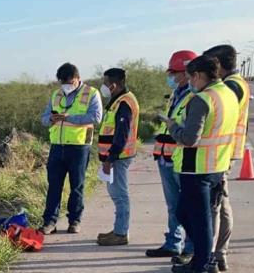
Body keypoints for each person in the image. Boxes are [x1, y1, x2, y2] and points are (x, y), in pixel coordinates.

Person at [166, 55, 239, 273]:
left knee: (196, 220)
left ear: (198, 75)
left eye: (190, 78)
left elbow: (189, 139)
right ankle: (204, 263)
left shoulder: (202, 99)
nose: (189, 83)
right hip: (216, 166)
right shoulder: (227, 94)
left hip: (197, 168)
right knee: (194, 216)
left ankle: (201, 272)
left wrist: (173, 126)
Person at [202, 44, 251, 272]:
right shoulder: (235, 84)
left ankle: (214, 255)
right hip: (223, 151)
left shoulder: (230, 87)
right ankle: (217, 254)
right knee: (220, 204)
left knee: (217, 205)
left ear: (219, 64)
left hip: (221, 152)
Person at [39, 63, 103, 235]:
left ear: (77, 78)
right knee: (54, 185)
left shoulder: (91, 93)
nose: (66, 85)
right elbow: (43, 118)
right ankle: (49, 222)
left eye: (69, 81)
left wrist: (70, 117)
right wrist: (51, 119)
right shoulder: (56, 94)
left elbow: (96, 117)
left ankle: (74, 221)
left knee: (77, 186)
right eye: (63, 82)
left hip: (79, 146)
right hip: (57, 146)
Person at [147, 50, 197, 258]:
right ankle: (173, 243)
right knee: (173, 206)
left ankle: (191, 247)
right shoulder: (177, 94)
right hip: (166, 157)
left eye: (174, 73)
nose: (171, 77)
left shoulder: (194, 97)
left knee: (188, 206)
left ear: (186, 73)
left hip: (182, 159)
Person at [96, 68, 139, 246]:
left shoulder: (124, 103)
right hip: (116, 157)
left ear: (113, 84)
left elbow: (121, 135)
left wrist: (110, 159)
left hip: (119, 157)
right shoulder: (119, 100)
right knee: (117, 194)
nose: (104, 87)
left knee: (120, 196)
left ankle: (121, 233)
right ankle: (118, 229)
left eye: (106, 83)